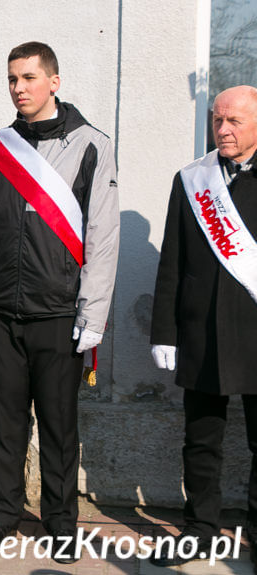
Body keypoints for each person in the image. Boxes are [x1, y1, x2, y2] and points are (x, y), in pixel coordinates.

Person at [0, 42, 119, 563]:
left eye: (28, 77)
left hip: (59, 313)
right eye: (11, 79)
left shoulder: (92, 145)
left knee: (58, 425)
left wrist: (93, 313)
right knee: (3, 422)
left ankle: (61, 525)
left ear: (54, 81)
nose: (18, 88)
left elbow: (103, 235)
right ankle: (4, 517)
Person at [149, 85, 257, 567]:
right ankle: (200, 531)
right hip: (204, 331)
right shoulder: (194, 179)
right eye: (217, 120)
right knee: (202, 438)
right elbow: (171, 261)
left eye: (234, 121)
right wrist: (164, 332)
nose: (223, 129)